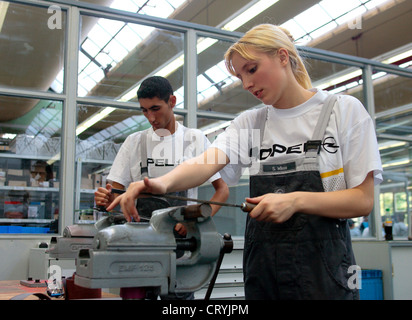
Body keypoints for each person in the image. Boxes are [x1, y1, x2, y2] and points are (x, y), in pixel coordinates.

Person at [108, 24, 383, 300]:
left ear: (283, 57)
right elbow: (204, 164)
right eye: (240, 76)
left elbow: (362, 201)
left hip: (324, 275)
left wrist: (295, 201)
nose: (247, 84)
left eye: (251, 69)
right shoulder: (251, 124)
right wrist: (156, 183)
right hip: (264, 272)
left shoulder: (342, 112)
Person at [95, 76, 229, 300]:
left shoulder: (194, 139)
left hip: (180, 246)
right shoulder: (134, 143)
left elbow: (222, 191)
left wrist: (195, 224)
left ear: (172, 101)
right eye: (144, 110)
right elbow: (114, 197)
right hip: (138, 246)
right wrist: (105, 199)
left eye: (155, 108)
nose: (151, 117)